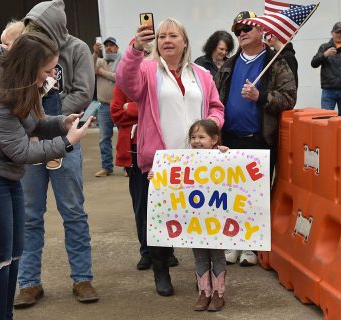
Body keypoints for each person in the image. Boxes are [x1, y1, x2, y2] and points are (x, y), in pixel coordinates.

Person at [0, 32, 92, 320]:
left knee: (14, 254)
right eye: (47, 70)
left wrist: (60, 123)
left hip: (4, 175)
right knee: (0, 260)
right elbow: (21, 151)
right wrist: (68, 142)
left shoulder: (18, 85)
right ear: (30, 67)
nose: (52, 75)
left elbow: (33, 124)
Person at [116, 17, 224, 296]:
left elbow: (216, 107)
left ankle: (207, 274)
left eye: (173, 36)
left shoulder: (201, 74)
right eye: (162, 36)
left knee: (201, 216)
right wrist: (136, 47)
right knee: (161, 218)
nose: (166, 40)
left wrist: (210, 127)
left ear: (184, 41)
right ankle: (160, 271)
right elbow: (125, 81)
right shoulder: (147, 70)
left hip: (198, 161)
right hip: (162, 160)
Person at [14, 0, 98, 308]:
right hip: (29, 141)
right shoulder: (26, 49)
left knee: (73, 212)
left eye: (37, 26)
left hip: (66, 138)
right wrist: (30, 119)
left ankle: (83, 278)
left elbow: (83, 92)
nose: (31, 32)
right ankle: (29, 283)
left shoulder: (75, 49)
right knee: (29, 215)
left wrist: (47, 117)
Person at [216, 11, 297, 266]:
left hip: (259, 140)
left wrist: (260, 96)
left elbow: (289, 98)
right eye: (238, 29)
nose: (241, 32)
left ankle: (251, 246)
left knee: (256, 196)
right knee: (229, 194)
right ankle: (232, 242)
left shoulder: (276, 62)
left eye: (247, 28)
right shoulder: (228, 65)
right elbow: (216, 99)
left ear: (261, 31)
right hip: (229, 138)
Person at [185, 120, 229, 312]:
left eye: (201, 137)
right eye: (193, 137)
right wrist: (157, 174)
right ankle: (204, 292)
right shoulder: (182, 159)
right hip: (195, 219)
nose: (196, 141)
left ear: (214, 140)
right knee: (200, 256)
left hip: (216, 219)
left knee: (217, 255)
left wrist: (227, 153)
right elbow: (168, 176)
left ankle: (219, 294)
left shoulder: (222, 156)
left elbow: (237, 168)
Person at [93, 36, 122, 177]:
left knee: (124, 137)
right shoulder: (99, 61)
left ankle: (127, 168)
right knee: (104, 138)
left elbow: (119, 77)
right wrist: (94, 54)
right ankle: (106, 167)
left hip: (120, 106)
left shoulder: (122, 61)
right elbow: (90, 68)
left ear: (117, 47)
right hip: (104, 106)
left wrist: (102, 73)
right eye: (107, 46)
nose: (109, 48)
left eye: (112, 45)